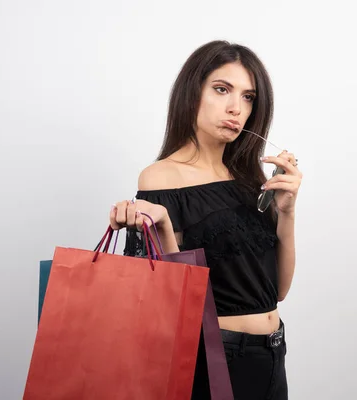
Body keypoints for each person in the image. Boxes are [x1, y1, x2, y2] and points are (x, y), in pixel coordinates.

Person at [109, 40, 302, 400]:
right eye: (221, 89)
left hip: (273, 355)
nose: (236, 108)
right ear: (192, 93)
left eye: (248, 97)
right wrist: (165, 230)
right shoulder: (161, 178)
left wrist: (287, 212)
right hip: (214, 361)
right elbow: (164, 302)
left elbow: (278, 291)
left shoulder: (247, 178)